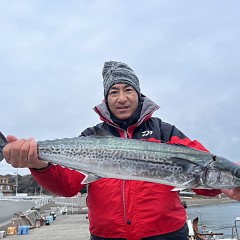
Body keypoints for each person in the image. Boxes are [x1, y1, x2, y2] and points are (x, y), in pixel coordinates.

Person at [3, 61, 240, 240]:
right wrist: (38, 163)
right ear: (106, 100)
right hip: (107, 235)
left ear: (139, 94)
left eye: (128, 89)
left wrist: (227, 184)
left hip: (166, 235)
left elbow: (201, 177)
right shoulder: (91, 136)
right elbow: (67, 186)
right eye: (113, 92)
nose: (122, 98)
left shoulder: (165, 133)